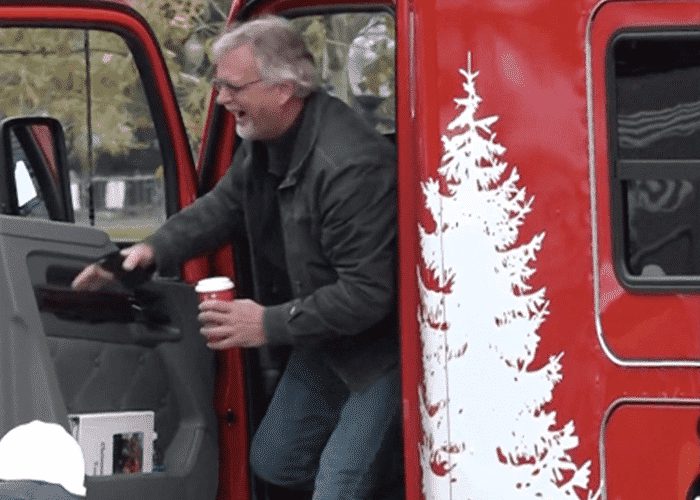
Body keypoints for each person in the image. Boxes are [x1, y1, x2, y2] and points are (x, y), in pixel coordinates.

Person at [72, 15, 401, 500]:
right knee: (274, 460)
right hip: (326, 335)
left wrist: (266, 323)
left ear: (283, 89)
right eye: (218, 85)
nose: (222, 99)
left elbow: (369, 294)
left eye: (231, 86)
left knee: (339, 484)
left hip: (381, 350)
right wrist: (151, 249)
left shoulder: (349, 166)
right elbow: (225, 206)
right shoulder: (266, 141)